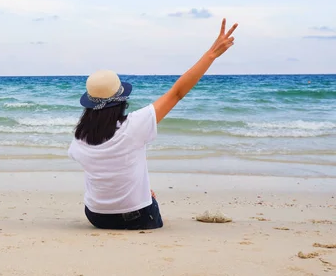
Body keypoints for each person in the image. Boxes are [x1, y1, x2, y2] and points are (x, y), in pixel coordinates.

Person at [68, 19, 238, 230]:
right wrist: (211, 54)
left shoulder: (79, 137)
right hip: (137, 217)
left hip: (96, 216)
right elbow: (177, 93)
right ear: (120, 100)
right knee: (147, 198)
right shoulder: (134, 125)